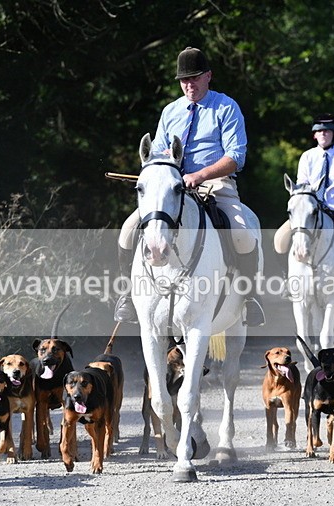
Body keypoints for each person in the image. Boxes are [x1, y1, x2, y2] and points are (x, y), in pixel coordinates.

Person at [114, 47, 265, 327]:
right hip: (173, 186)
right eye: (184, 80)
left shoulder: (226, 107)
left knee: (243, 234)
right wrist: (160, 168)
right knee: (127, 229)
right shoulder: (170, 111)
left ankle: (249, 297)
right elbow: (158, 152)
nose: (189, 85)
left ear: (208, 76)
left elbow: (236, 157)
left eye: (195, 78)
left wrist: (201, 174)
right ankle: (127, 296)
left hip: (216, 184)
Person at [274, 113, 334, 259]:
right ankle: (285, 271)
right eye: (319, 131)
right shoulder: (307, 157)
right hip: (311, 210)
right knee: (279, 240)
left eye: (327, 130)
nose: (323, 133)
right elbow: (302, 188)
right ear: (314, 135)